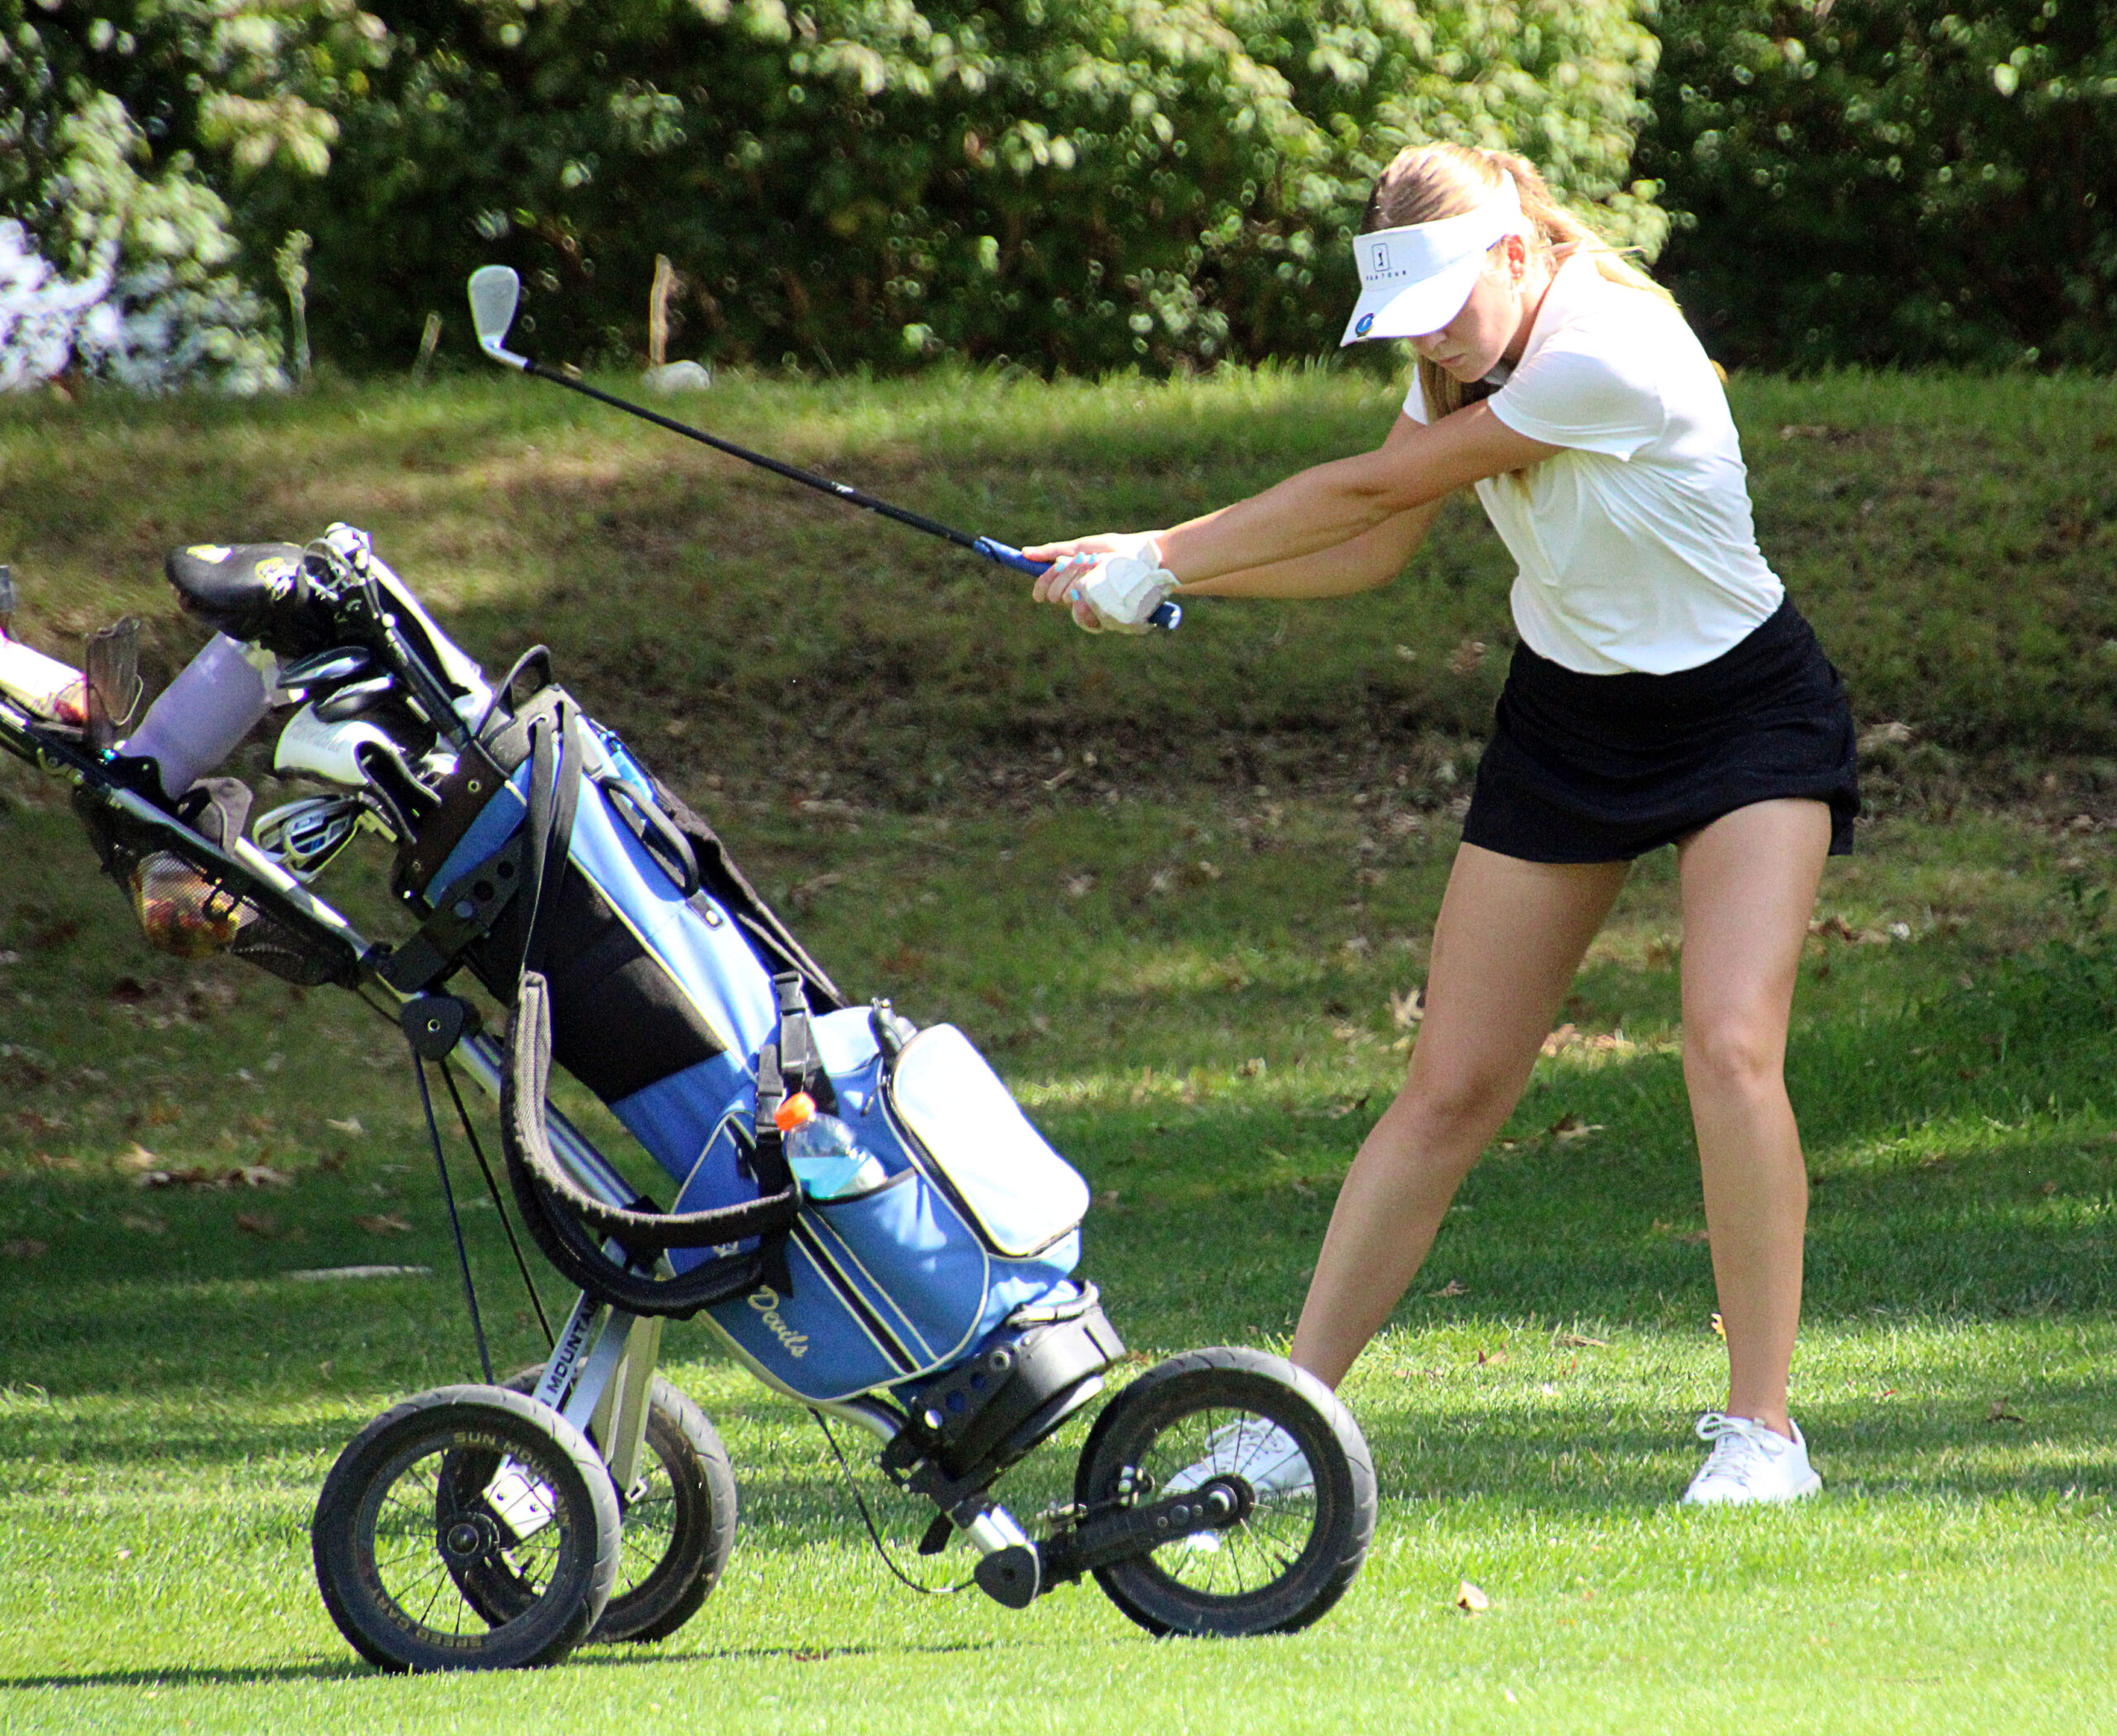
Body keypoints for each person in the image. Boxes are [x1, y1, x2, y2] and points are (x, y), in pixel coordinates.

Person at [1023, 141, 1858, 1506]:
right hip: (1571, 722)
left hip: (1744, 715)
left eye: (1451, 309)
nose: (1437, 345)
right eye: (1413, 323)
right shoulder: (1457, 352)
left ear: (1520, 256)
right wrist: (1159, 572)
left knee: (1728, 1043)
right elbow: (1377, 543)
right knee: (1453, 1084)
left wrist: (1161, 554)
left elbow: (1364, 496)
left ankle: (1763, 1435)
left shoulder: (1609, 348)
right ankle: (1289, 1417)